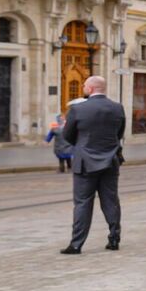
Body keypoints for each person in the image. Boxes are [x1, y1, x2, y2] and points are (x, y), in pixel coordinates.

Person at [60, 76, 126, 254]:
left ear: (90, 89)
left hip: (85, 163)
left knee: (82, 203)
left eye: (84, 85)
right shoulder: (117, 108)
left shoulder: (78, 109)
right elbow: (119, 133)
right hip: (110, 161)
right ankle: (114, 239)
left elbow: (67, 135)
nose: (83, 87)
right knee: (111, 200)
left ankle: (76, 244)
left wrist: (82, 145)